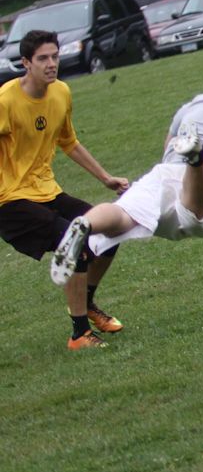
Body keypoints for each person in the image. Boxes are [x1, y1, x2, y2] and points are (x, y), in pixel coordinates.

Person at [48, 55, 203, 282]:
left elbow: (168, 144)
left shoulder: (200, 102)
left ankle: (86, 223)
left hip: (166, 171)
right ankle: (197, 160)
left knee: (122, 216)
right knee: (198, 218)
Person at [0, 30, 130, 350]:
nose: (51, 63)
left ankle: (86, 303)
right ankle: (79, 334)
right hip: (10, 200)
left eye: (55, 57)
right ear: (26, 63)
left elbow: (68, 141)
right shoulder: (6, 101)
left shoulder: (61, 92)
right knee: (75, 243)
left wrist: (105, 178)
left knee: (112, 226)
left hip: (47, 192)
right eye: (42, 58)